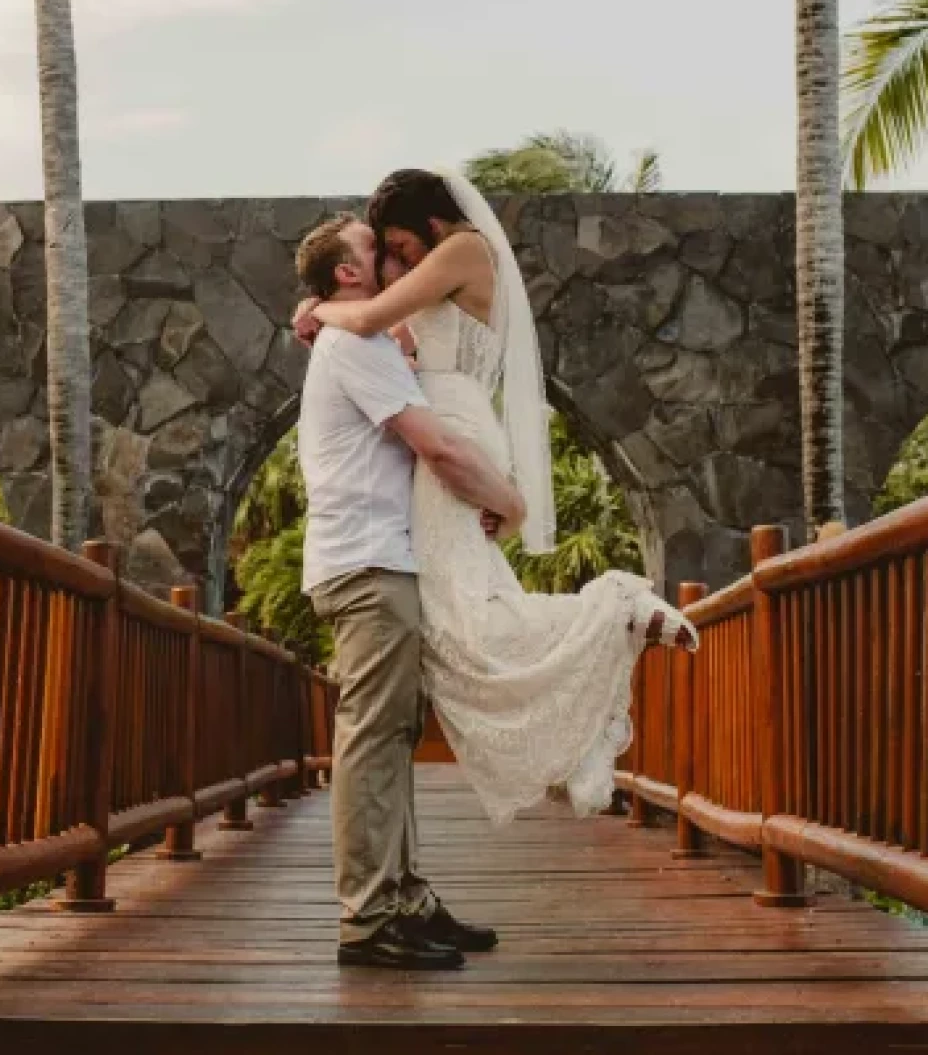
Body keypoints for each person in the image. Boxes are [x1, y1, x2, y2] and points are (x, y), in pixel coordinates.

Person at [295, 168, 697, 834]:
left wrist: (318, 310)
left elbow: (366, 316)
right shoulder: (440, 268)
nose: (395, 264)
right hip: (451, 420)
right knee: (469, 617)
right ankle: (592, 726)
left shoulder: (462, 248)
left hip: (450, 428)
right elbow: (389, 328)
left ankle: (617, 610)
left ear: (428, 225)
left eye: (398, 246)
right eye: (383, 254)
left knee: (463, 627)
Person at [293, 213, 522, 972]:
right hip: (367, 567)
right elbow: (438, 445)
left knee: (391, 736)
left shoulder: (363, 339)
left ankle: (405, 897)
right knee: (372, 737)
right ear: (350, 276)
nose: (390, 259)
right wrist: (512, 503)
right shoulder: (352, 343)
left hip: (380, 562)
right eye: (374, 249)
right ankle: (367, 916)